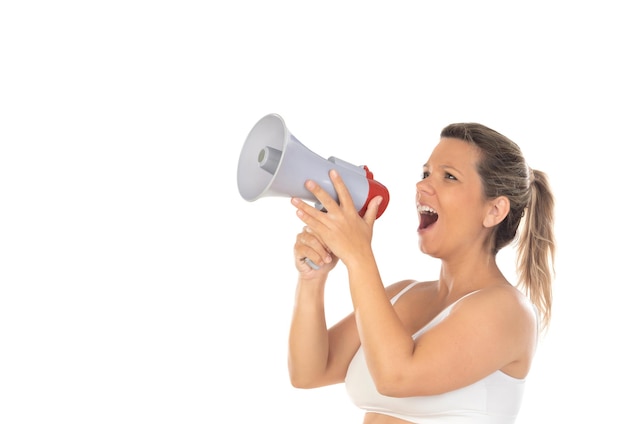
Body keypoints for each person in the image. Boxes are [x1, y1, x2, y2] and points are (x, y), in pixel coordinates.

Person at [287, 122, 556, 424]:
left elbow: (396, 377)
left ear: (494, 211)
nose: (421, 186)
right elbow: (309, 372)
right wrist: (313, 278)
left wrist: (358, 256)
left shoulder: (508, 311)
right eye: (425, 173)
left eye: (449, 177)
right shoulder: (402, 294)